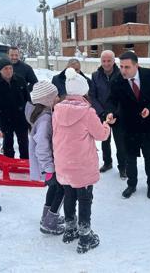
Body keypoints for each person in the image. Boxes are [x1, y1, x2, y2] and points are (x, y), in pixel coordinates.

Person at [52, 68, 110, 253]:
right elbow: (100, 135)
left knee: (69, 195)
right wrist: (106, 125)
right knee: (84, 198)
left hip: (63, 162)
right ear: (84, 91)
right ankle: (85, 237)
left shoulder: (57, 110)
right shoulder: (87, 112)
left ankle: (70, 229)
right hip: (81, 164)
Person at [106, 51, 150, 199]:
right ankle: (131, 184)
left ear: (136, 65)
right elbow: (111, 100)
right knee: (130, 159)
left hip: (149, 126)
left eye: (127, 67)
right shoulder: (117, 81)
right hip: (128, 126)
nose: (123, 70)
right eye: (121, 66)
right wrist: (110, 113)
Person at [25, 80, 64, 235]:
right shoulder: (46, 119)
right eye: (55, 97)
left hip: (47, 165)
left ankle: (46, 216)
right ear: (47, 100)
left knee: (53, 188)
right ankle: (49, 223)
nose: (58, 98)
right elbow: (41, 145)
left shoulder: (41, 114)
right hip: (48, 165)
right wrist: (49, 167)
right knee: (61, 189)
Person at [90, 50, 127, 178]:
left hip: (118, 114)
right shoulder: (95, 76)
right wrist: (102, 112)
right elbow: (92, 96)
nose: (106, 64)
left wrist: (115, 113)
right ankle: (107, 162)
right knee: (105, 140)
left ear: (114, 61)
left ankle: (123, 167)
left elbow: (124, 96)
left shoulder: (122, 74)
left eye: (109, 61)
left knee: (120, 142)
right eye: (103, 61)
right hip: (102, 113)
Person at [0, 58, 30, 159]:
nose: (9, 71)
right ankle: (9, 160)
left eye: (10, 68)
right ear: (0, 70)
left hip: (21, 116)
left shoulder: (20, 80)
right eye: (6, 68)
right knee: (8, 141)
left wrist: (29, 115)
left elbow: (28, 99)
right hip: (5, 118)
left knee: (24, 141)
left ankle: (25, 160)